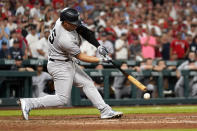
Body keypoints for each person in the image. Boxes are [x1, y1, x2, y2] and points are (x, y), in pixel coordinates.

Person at [19, 7, 123, 120]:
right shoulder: (64, 39)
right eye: (72, 23)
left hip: (67, 62)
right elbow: (81, 56)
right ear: (65, 23)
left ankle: (105, 111)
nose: (75, 25)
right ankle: (29, 103)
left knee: (87, 83)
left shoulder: (62, 19)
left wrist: (98, 46)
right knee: (62, 99)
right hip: (59, 65)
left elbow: (84, 31)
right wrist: (100, 60)